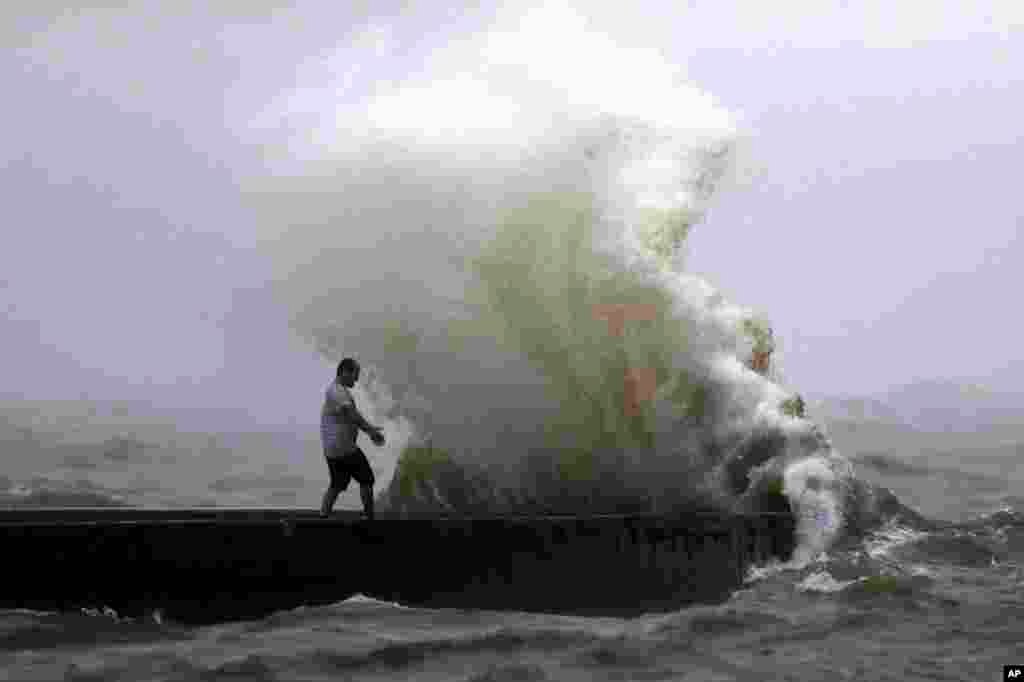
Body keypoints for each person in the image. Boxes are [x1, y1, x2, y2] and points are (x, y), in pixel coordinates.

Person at [320, 357, 386, 519]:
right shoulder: (337, 392)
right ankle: (369, 518)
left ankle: (323, 516)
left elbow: (351, 417)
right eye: (355, 374)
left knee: (338, 484)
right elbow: (353, 415)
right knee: (367, 479)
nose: (357, 378)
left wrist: (370, 427)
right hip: (344, 448)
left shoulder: (337, 391)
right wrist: (371, 432)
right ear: (344, 372)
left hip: (333, 449)